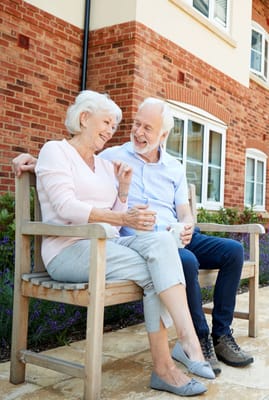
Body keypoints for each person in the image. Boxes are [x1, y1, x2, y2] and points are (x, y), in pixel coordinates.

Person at [12, 96, 253, 376]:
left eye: (147, 128)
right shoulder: (112, 156)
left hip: (175, 235)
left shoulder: (173, 166)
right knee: (181, 261)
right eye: (135, 124)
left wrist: (187, 225)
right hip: (138, 241)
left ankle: (221, 336)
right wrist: (35, 160)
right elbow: (73, 162)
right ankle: (196, 340)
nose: (138, 132)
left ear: (163, 135)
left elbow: (184, 211)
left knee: (233, 251)